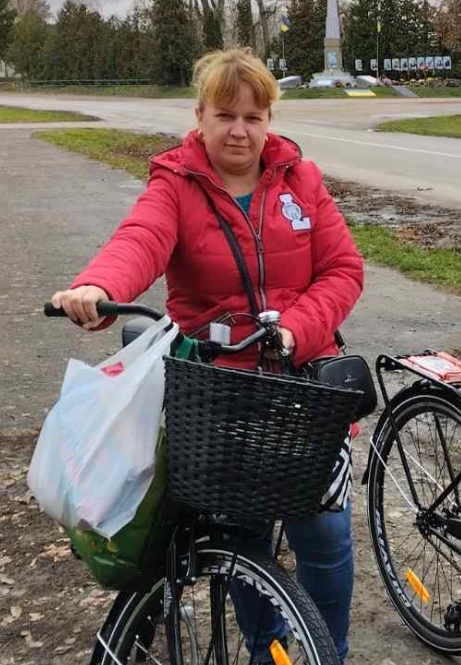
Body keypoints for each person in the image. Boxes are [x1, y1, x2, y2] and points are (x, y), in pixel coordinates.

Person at [50, 48, 364, 663]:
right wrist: (100, 286)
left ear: (269, 118)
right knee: (243, 537)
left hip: (304, 385)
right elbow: (140, 237)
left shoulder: (301, 178)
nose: (240, 130)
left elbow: (343, 269)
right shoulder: (177, 182)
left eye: (253, 116)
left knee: (325, 534)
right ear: (200, 117)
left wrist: (295, 330)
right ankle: (266, 649)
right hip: (219, 391)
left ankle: (332, 652)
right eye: (225, 115)